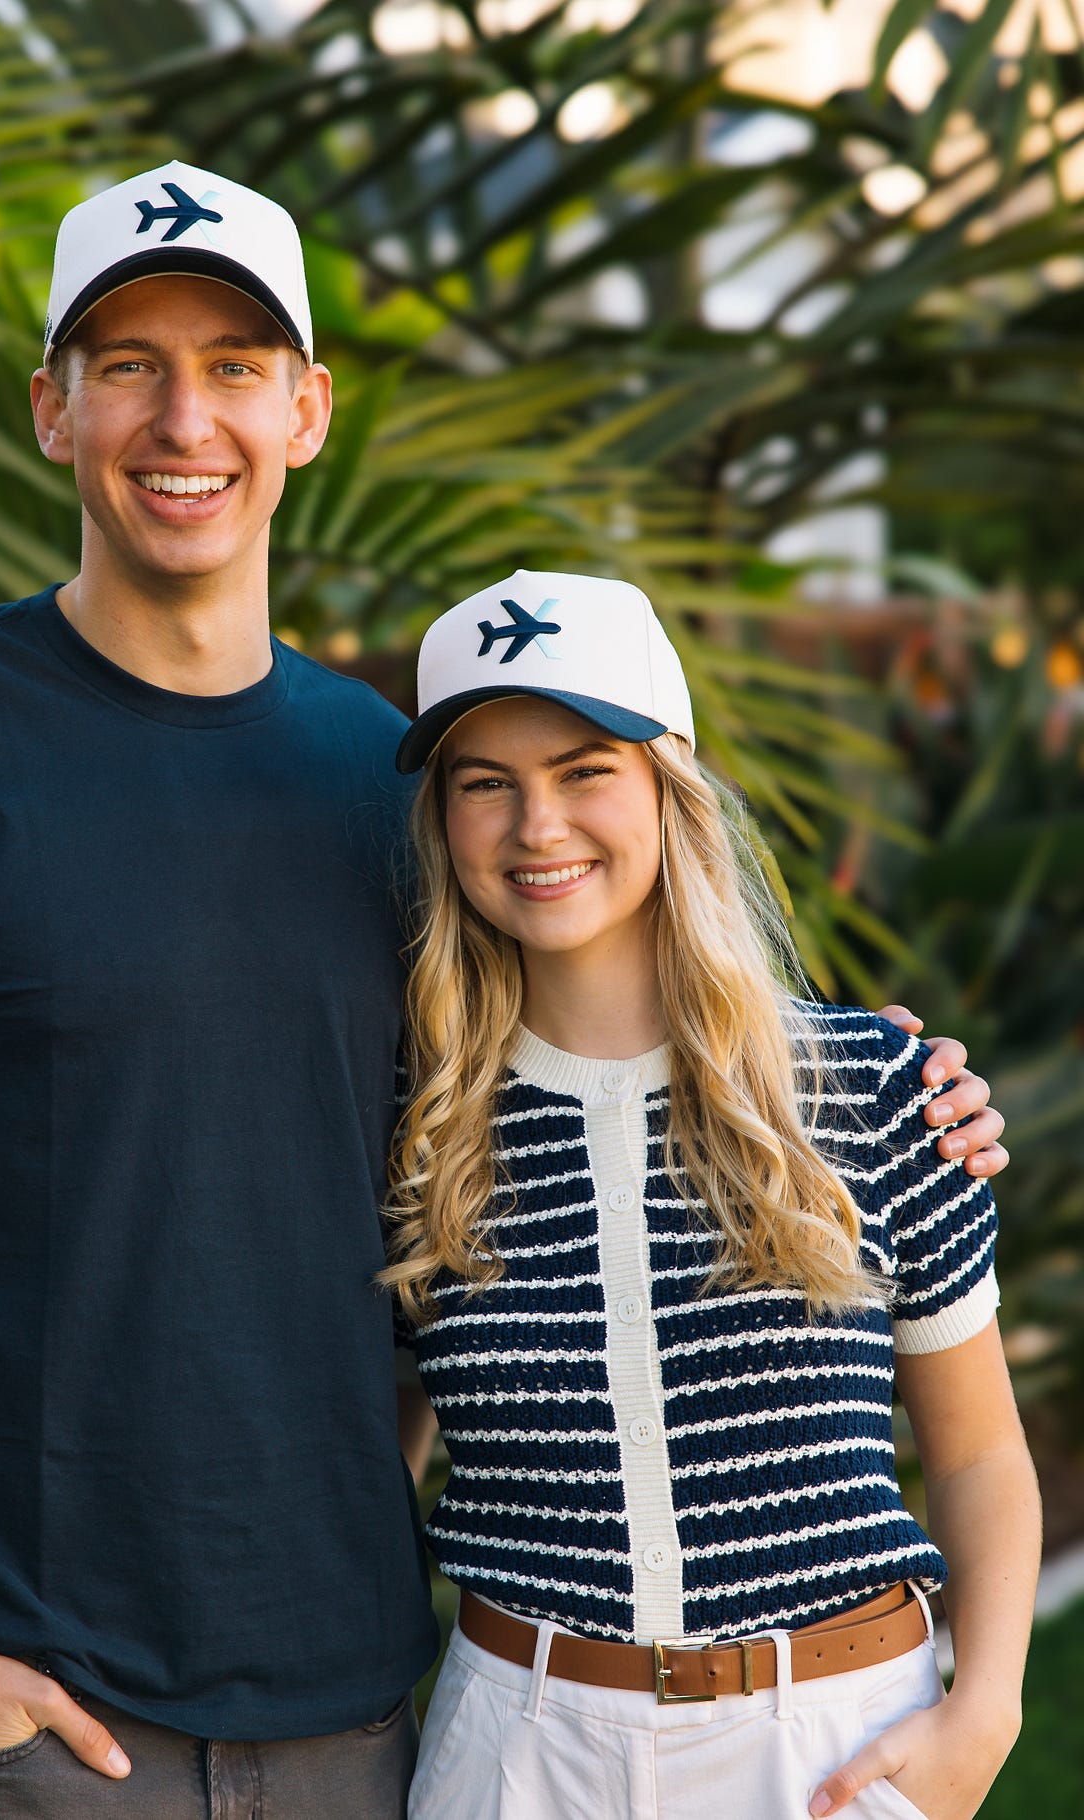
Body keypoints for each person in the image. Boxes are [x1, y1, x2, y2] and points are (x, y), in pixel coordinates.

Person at [0, 159, 1007, 1820]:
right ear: (50, 411)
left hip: (358, 1719)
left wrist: (887, 1080)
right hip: (13, 1727)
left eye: (232, 368)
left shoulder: (398, 787)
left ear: (307, 408)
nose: (182, 419)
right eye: (128, 364)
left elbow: (552, 1084)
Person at [380, 570, 1039, 1820]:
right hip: (520, 1748)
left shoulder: (871, 1086)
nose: (536, 825)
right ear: (442, 816)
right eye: (485, 782)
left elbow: (978, 1447)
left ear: (669, 786)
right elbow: (379, 1439)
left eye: (585, 770)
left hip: (832, 1742)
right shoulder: (412, 1127)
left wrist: (985, 1705)